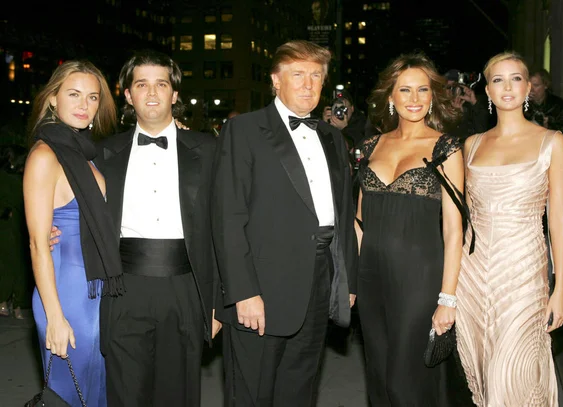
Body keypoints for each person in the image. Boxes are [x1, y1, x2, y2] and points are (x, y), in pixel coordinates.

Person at [212, 40, 357, 406]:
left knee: (299, 392)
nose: (308, 84)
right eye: (298, 75)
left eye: (316, 76)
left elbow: (343, 212)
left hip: (318, 283)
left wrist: (347, 280)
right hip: (260, 289)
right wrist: (243, 292)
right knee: (251, 396)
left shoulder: (333, 138)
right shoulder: (243, 130)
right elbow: (228, 217)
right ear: (276, 80)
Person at [93, 50, 220, 406]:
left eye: (161, 84)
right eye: (142, 85)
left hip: (186, 287)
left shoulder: (208, 150)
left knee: (177, 395)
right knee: (125, 394)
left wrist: (219, 303)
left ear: (175, 94)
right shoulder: (104, 153)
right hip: (123, 288)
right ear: (128, 95)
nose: (152, 93)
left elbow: (224, 228)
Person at [456, 52, 563, 406]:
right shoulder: (471, 145)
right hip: (472, 275)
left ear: (528, 87)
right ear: (487, 91)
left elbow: (559, 218)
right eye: (497, 80)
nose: (507, 87)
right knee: (483, 371)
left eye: (516, 78)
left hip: (524, 273)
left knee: (516, 370)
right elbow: (461, 217)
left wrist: (561, 286)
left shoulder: (552, 142)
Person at [355, 53, 469, 406]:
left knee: (406, 380)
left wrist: (447, 297)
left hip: (420, 277)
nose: (415, 98)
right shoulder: (370, 146)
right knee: (379, 374)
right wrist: (349, 281)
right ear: (390, 97)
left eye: (422, 89)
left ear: (433, 96)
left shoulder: (446, 148)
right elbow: (359, 222)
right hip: (370, 278)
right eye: (405, 90)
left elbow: (454, 230)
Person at [24, 60, 122, 406]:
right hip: (66, 295)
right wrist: (55, 316)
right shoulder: (45, 155)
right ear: (53, 99)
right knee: (71, 395)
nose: (84, 105)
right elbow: (38, 243)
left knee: (99, 392)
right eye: (74, 94)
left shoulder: (86, 153)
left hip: (96, 292)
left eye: (93, 97)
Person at [0, 145, 30, 320]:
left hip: (19, 228)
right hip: (5, 228)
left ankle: (17, 303)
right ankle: (4, 300)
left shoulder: (23, 179)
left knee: (19, 265)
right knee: (8, 265)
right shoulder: (5, 179)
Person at [527, 68, 563, 143]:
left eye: (536, 85)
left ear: (545, 85)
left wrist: (549, 125)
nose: (531, 90)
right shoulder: (520, 104)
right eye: (528, 85)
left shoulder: (558, 105)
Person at [444, 69, 490, 140]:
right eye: (449, 87)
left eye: (455, 86)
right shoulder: (439, 108)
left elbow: (482, 132)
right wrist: (458, 114)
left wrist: (474, 103)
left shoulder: (469, 106)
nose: (452, 90)